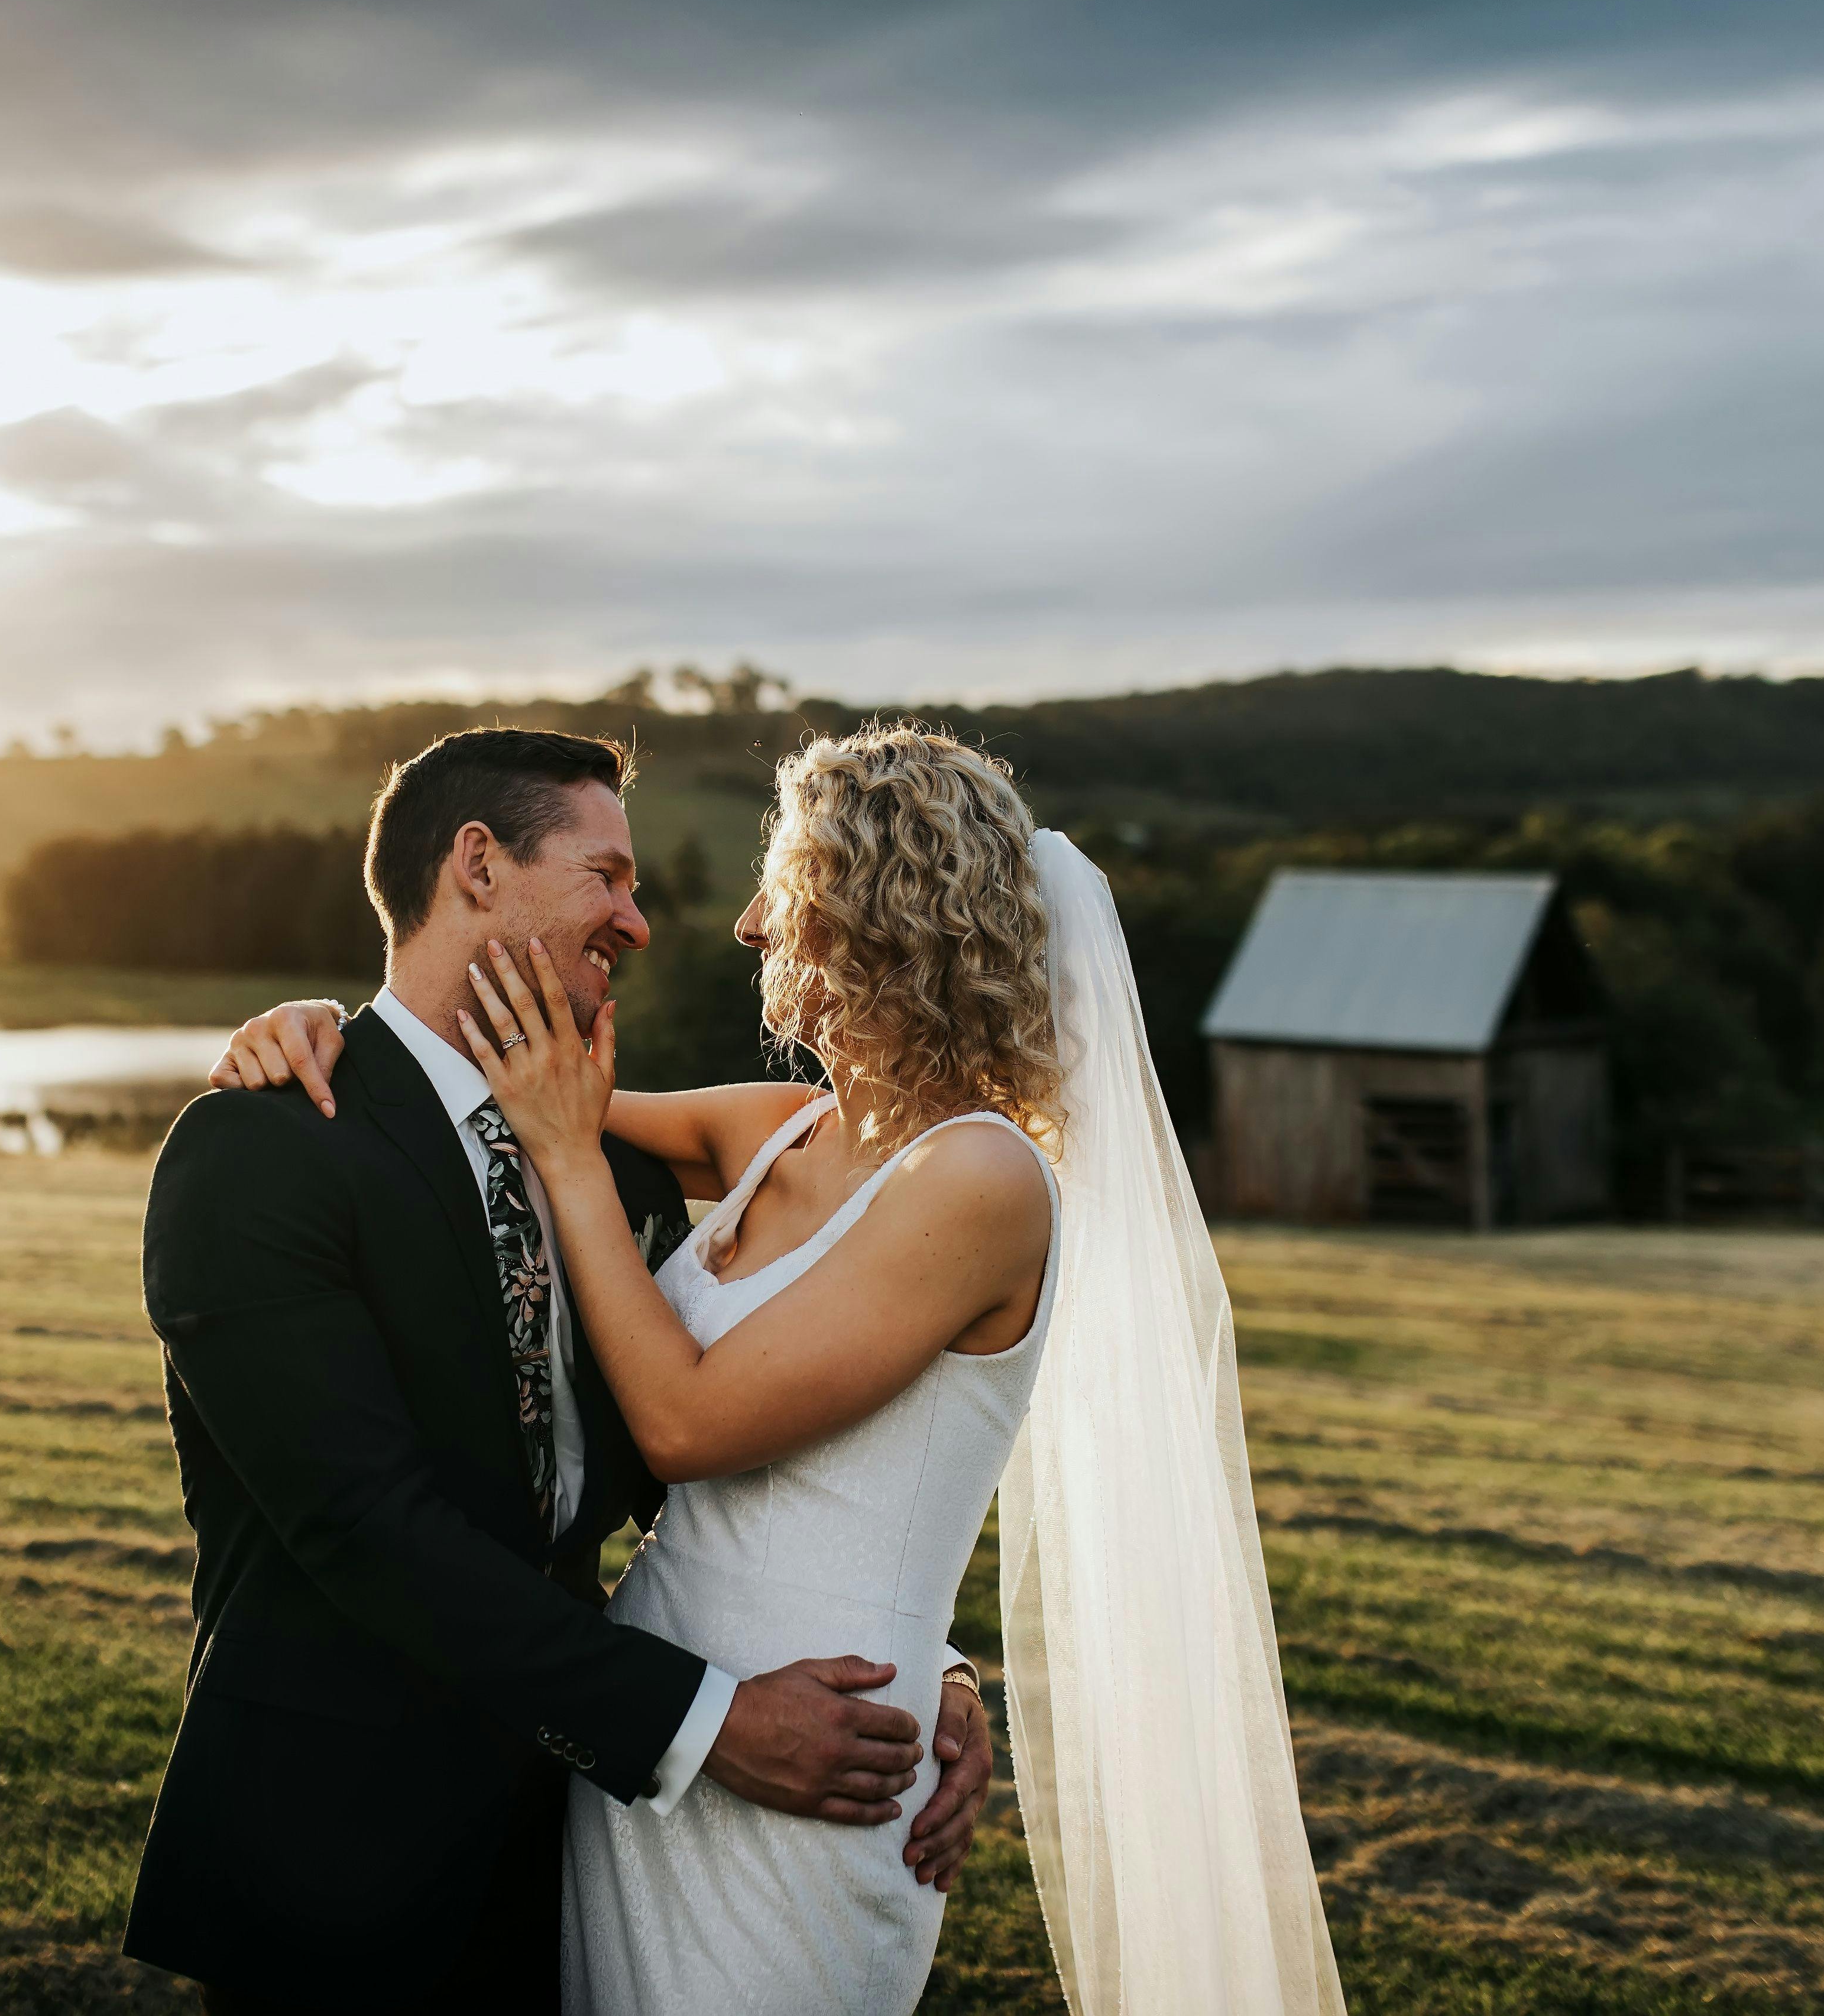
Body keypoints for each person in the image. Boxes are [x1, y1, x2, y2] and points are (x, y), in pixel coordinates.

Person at [216, 724, 1349, 2014]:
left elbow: (688, 1416)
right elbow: (480, 1102)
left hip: (818, 1753)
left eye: (785, 886)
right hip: (649, 1739)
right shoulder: (781, 1131)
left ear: (876, 911)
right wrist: (316, 1027)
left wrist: (577, 1164)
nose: (749, 925)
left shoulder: (979, 1179)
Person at [122, 727, 996, 2015]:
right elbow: (368, 1534)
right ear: (477, 865)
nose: (638, 923)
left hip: (581, 1845)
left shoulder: (606, 1163)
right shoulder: (262, 1152)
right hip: (338, 1859)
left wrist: (934, 1666)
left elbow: (719, 1466)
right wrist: (707, 1725)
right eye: (608, 877)